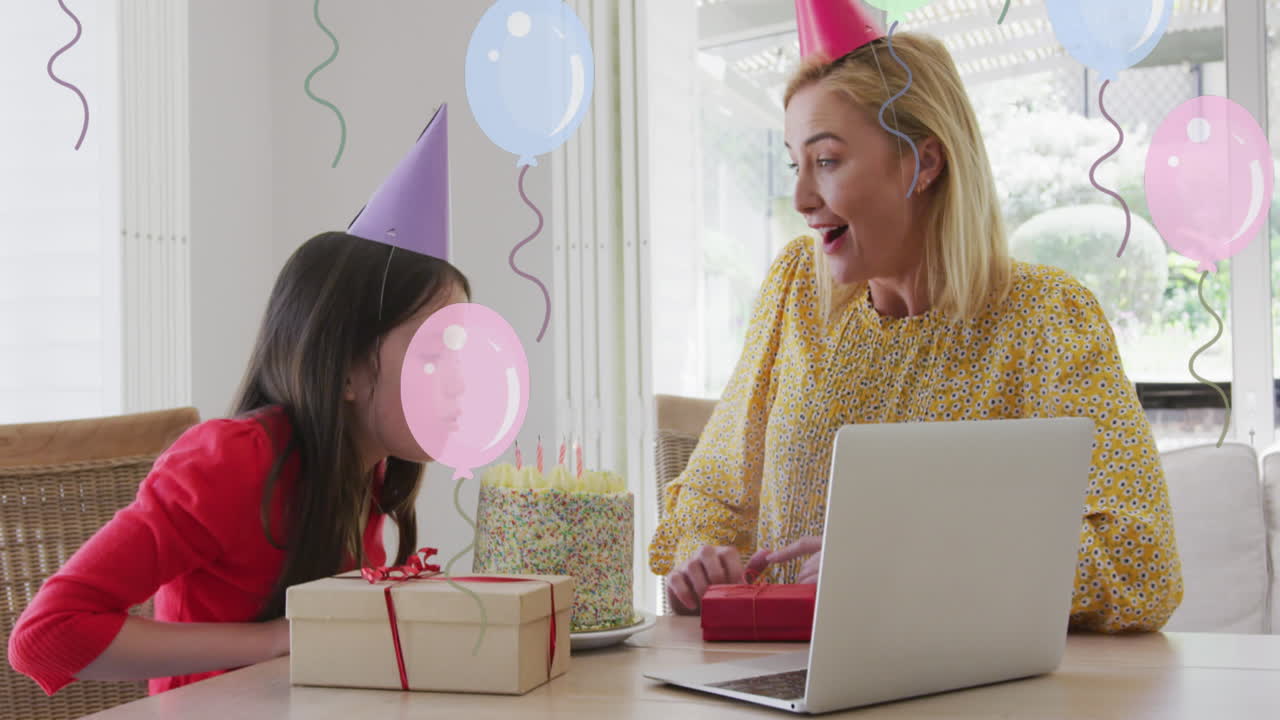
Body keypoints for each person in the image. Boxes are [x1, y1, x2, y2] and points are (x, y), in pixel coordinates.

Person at [648, 3, 1182, 634]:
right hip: (780, 671)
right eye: (796, 164)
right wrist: (704, 564)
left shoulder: (1046, 318)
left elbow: (1139, 559)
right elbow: (711, 496)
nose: (801, 199)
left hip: (969, 679)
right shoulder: (797, 287)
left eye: (827, 161)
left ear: (924, 162)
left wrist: (916, 568)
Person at [9, 107, 469, 694]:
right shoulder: (233, 463)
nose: (459, 381)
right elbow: (45, 636)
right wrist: (275, 639)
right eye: (432, 353)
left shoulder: (370, 470)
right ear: (346, 372)